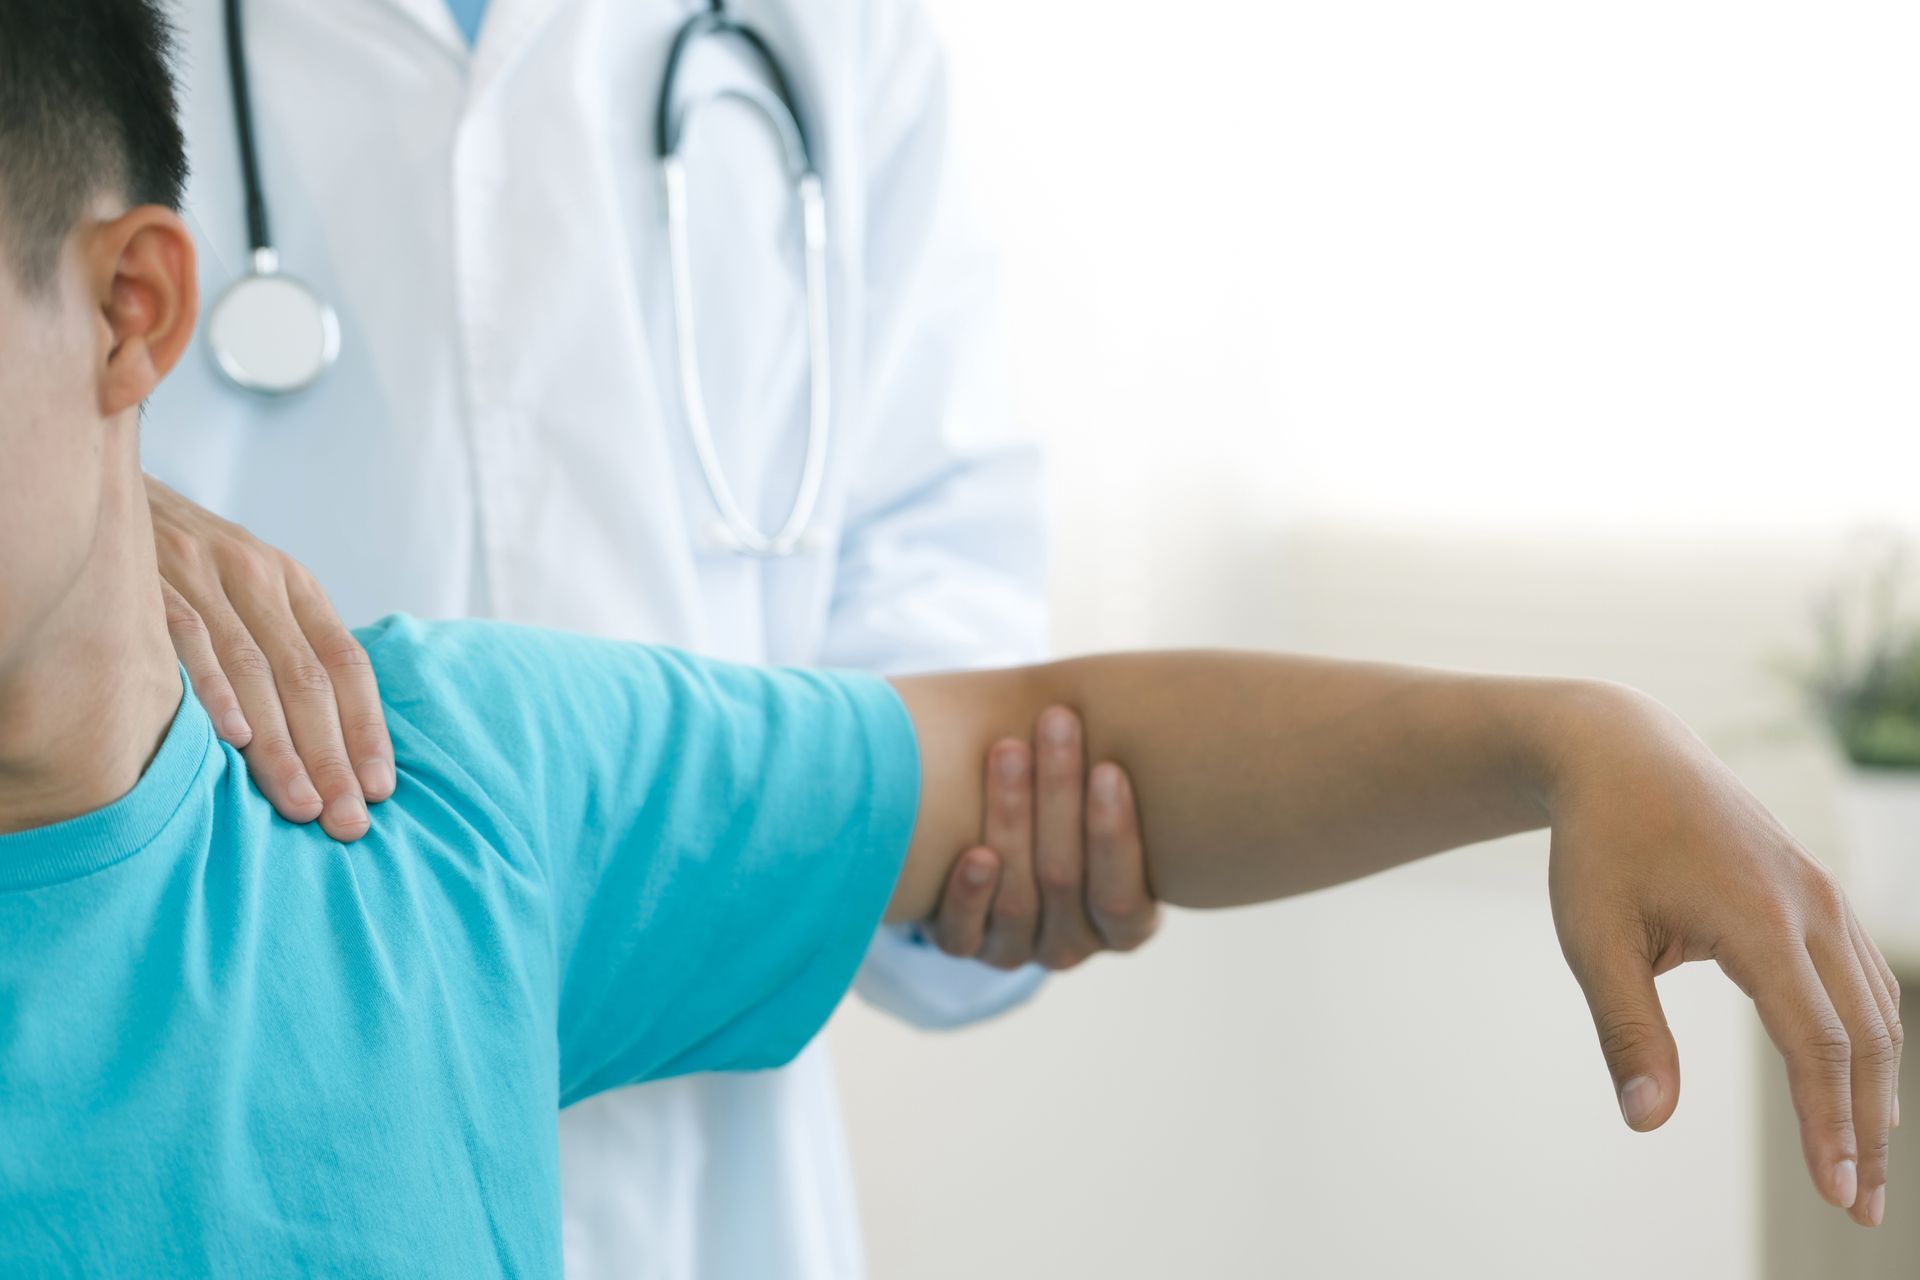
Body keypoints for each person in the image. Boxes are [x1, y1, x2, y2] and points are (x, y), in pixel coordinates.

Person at [0, 9, 1903, 1275]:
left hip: (595, 965)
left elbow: (1013, 713)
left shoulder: (493, 769)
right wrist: (101, 504)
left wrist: (1571, 739)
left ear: (139, 314)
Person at [136, 1, 1161, 1274]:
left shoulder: (841, 33)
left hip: (704, 1174)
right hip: (228, 1092)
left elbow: (935, 555)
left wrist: (981, 831)